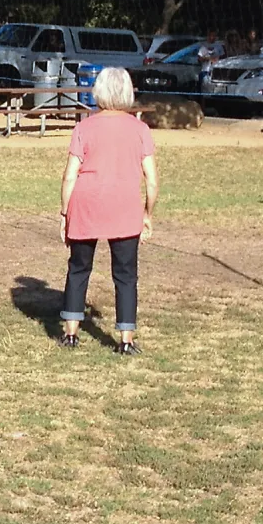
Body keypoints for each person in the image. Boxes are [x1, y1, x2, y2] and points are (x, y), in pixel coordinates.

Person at [58, 67, 158, 354]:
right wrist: (147, 213)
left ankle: (71, 333)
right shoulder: (140, 129)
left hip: (86, 203)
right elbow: (151, 179)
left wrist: (65, 213)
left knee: (78, 269)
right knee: (126, 274)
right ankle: (125, 339)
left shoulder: (84, 127)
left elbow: (69, 175)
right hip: (125, 206)